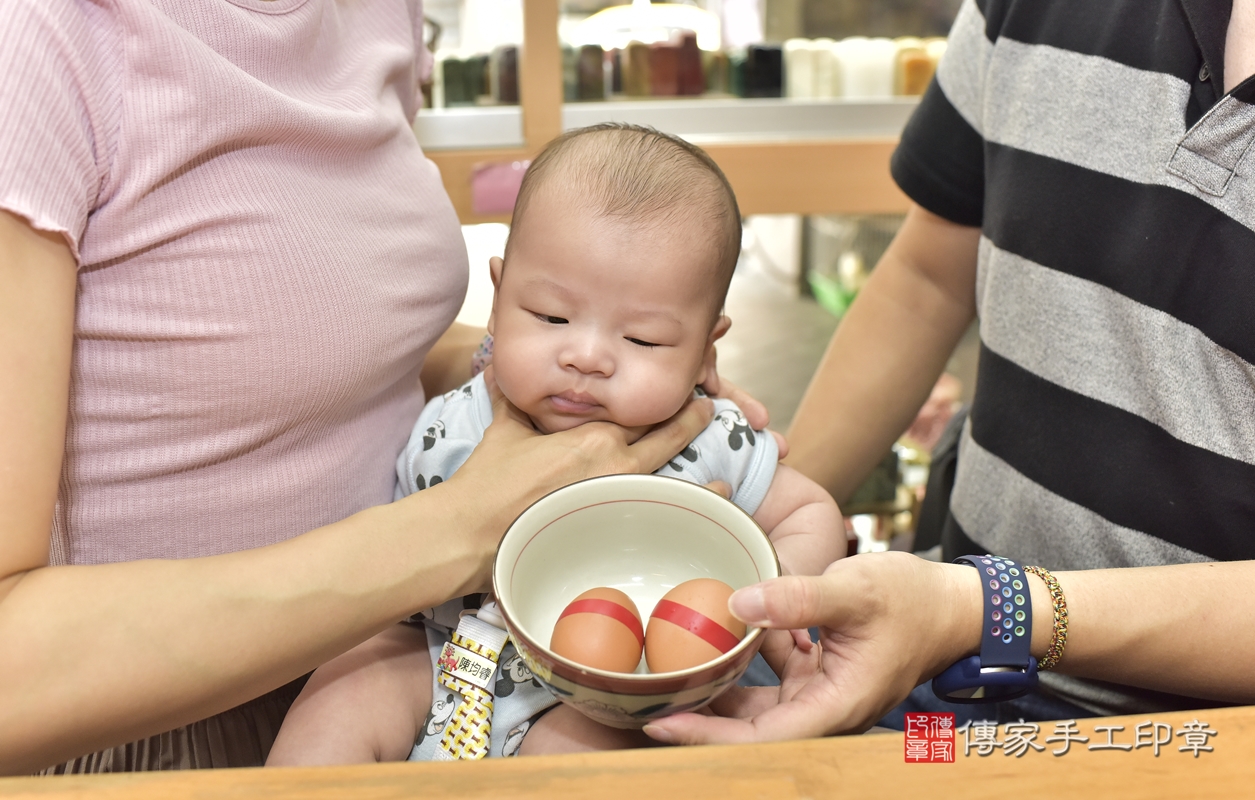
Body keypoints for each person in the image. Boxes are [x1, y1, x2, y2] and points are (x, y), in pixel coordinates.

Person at [0, 2, 775, 775]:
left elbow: (349, 348)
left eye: (645, 336)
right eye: (546, 310)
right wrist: (463, 527)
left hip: (402, 649)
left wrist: (542, 379)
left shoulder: (380, 12)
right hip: (158, 729)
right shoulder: (39, 38)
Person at [641, 0, 1255, 744]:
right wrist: (768, 530)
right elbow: (928, 276)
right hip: (948, 679)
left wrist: (984, 608)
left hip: (1175, 740)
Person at [265, 124, 844, 764]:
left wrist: (776, 596)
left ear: (707, 350)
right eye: (549, 316)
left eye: (644, 339)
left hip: (612, 695)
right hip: (439, 651)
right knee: (336, 698)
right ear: (498, 301)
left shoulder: (708, 436)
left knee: (610, 760)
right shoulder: (455, 423)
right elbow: (396, 568)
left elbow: (809, 510)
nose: (587, 356)